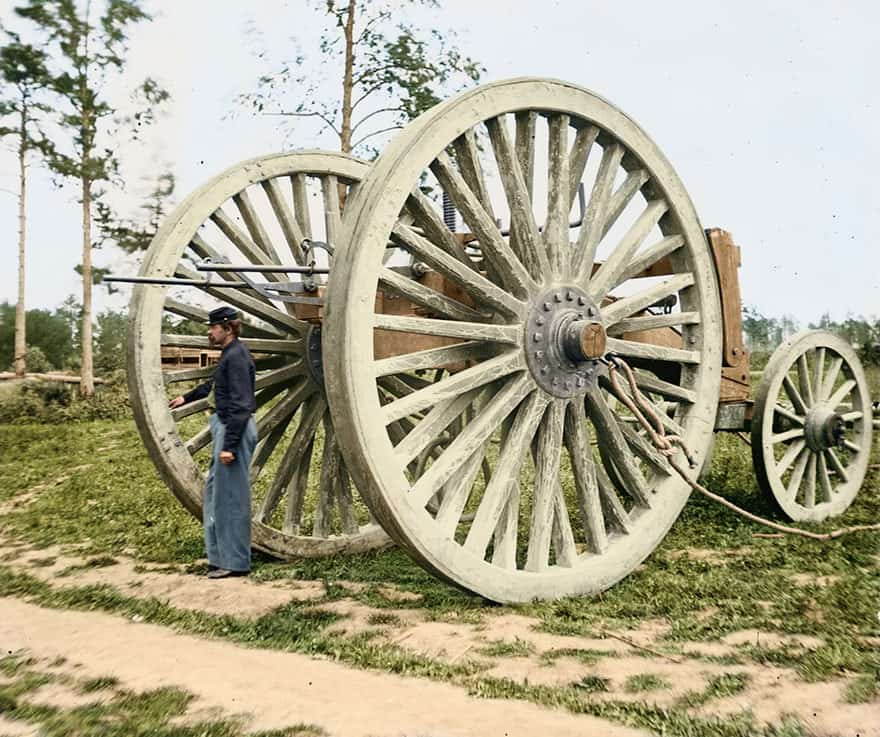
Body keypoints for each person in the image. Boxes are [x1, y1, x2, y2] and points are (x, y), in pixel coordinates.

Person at [169, 306, 257, 579]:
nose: (209, 332)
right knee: (217, 495)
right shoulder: (230, 355)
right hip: (227, 427)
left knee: (232, 499)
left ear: (227, 328)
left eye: (213, 327)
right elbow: (216, 385)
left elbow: (242, 405)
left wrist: (229, 446)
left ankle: (236, 563)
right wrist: (188, 397)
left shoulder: (238, 356)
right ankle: (220, 558)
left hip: (234, 430)